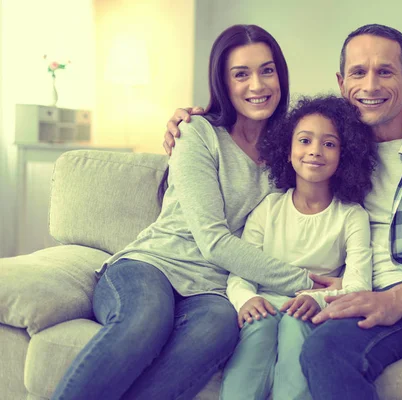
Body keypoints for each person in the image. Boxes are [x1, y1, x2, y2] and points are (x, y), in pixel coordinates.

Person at [164, 24, 402, 400]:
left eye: (385, 71)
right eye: (358, 72)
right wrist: (194, 119)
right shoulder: (330, 151)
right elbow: (260, 139)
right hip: (370, 300)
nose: (370, 86)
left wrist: (398, 298)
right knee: (324, 353)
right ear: (341, 83)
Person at [51, 24, 319, 400]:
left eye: (267, 70)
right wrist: (306, 282)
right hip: (152, 265)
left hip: (214, 289)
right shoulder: (197, 133)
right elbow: (213, 240)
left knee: (219, 330)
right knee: (146, 319)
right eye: (241, 74)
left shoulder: (292, 147)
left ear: (280, 75)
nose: (257, 85)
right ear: (223, 83)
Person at [220, 95, 376, 400]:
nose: (315, 151)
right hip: (264, 305)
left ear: (344, 155)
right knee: (259, 328)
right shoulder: (268, 208)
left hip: (313, 312)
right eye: (304, 140)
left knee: (295, 323)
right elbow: (242, 269)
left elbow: (359, 286)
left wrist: (317, 299)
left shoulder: (352, 216)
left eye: (329, 144)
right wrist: (246, 300)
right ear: (288, 150)